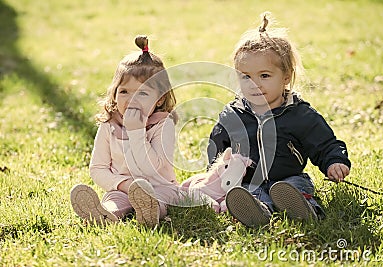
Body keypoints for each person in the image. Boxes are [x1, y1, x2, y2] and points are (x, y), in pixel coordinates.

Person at [207, 12, 351, 227]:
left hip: (289, 178)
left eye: (264, 76)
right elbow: (217, 148)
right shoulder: (233, 115)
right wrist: (216, 173)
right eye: (246, 77)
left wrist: (334, 161)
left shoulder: (300, 114)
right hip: (249, 181)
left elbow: (325, 143)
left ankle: (304, 208)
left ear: (285, 77)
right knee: (246, 193)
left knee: (295, 187)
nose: (254, 84)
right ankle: (258, 212)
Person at [70, 35, 179, 227]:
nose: (132, 100)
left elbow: (153, 167)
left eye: (143, 93)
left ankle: (150, 212)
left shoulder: (163, 125)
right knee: (114, 200)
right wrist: (123, 185)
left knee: (162, 199)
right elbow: (98, 169)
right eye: (124, 92)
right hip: (122, 188)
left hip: (159, 187)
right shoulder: (109, 125)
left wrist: (136, 132)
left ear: (160, 99)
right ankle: (105, 215)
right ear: (114, 92)